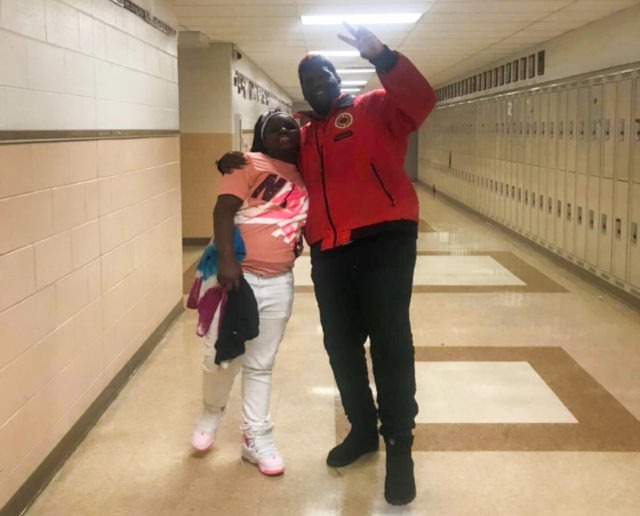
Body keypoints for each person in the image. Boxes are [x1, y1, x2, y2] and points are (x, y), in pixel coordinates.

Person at [218, 25, 436, 504]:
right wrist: (235, 159)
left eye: (326, 73)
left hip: (384, 238)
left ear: (338, 76)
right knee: (340, 343)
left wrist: (383, 56)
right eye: (309, 79)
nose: (319, 83)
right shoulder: (304, 134)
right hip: (329, 250)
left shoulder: (375, 107)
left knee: (390, 338)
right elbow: (268, 159)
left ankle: (400, 444)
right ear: (303, 89)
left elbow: (420, 100)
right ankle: (363, 430)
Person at [190, 109, 308, 477]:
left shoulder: (305, 174)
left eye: (290, 125)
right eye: (274, 128)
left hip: (279, 281)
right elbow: (223, 210)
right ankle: (212, 411)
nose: (284, 131)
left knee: (261, 363)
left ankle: (255, 437)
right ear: (262, 136)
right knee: (220, 357)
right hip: (237, 278)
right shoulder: (246, 162)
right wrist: (227, 261)